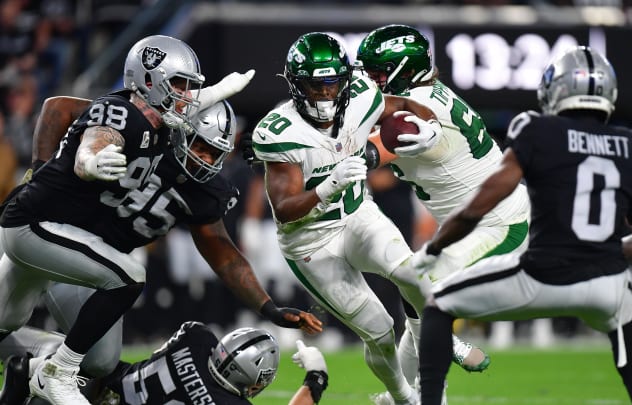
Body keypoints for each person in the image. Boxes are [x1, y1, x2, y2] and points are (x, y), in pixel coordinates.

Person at [0, 35, 320, 405]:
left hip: (94, 264)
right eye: (200, 145)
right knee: (8, 318)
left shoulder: (204, 186)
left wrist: (268, 307)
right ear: (182, 130)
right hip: (52, 232)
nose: (205, 159)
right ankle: (53, 371)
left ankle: (38, 368)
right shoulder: (146, 124)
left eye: (216, 152)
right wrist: (42, 170)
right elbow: (62, 110)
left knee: (101, 362)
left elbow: (222, 251)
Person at [411, 46, 632, 405]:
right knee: (623, 321)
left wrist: (435, 249)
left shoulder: (536, 129)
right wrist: (609, 250)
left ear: (556, 89)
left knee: (438, 304)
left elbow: (481, 204)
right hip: (605, 282)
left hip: (542, 276)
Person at [250, 31, 464, 405]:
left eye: (333, 83)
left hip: (357, 214)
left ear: (346, 79)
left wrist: (425, 130)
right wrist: (327, 186)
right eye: (315, 86)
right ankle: (401, 397)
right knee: (380, 331)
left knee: (411, 272)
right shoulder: (278, 131)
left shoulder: (363, 97)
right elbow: (284, 209)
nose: (326, 94)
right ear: (295, 85)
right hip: (311, 241)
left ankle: (434, 352)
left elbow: (413, 109)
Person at [355, 23, 536, 377]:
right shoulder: (425, 94)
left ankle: (433, 382)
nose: (370, 81)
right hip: (473, 222)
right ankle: (407, 396)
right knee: (415, 298)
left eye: (377, 73)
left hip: (499, 224)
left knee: (425, 295)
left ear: (403, 71)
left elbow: (363, 155)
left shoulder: (414, 114)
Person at [1, 322, 329, 405]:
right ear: (253, 383)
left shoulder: (197, 336)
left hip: (96, 388)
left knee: (54, 347)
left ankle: (22, 375)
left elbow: (163, 360)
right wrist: (316, 378)